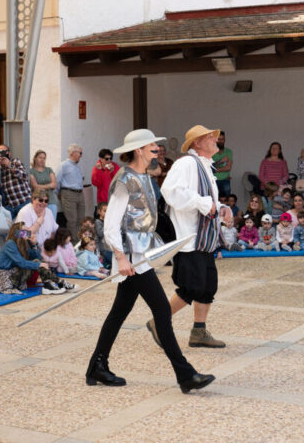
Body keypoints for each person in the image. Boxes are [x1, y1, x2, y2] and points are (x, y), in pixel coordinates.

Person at [88, 128, 215, 393]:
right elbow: (110, 224)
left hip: (141, 257)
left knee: (118, 313)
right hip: (132, 261)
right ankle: (185, 375)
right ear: (139, 150)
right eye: (152, 147)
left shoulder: (145, 177)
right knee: (160, 313)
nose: (157, 150)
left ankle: (97, 366)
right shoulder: (125, 180)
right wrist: (121, 258)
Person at [158, 124, 233, 350]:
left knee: (208, 286)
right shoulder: (186, 163)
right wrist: (205, 204)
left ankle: (199, 332)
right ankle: (158, 322)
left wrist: (220, 208)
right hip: (189, 239)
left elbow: (206, 199)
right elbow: (170, 191)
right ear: (197, 143)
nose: (215, 140)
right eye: (209, 137)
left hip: (204, 239)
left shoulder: (206, 167)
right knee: (190, 287)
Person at [0, 222, 76, 295]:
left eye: (28, 230)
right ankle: (58, 282)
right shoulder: (10, 244)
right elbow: (22, 263)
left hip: (15, 275)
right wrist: (39, 264)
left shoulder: (23, 244)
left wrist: (34, 244)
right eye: (25, 230)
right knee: (37, 263)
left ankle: (50, 284)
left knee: (38, 262)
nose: (28, 232)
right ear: (17, 232)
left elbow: (38, 257)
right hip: (7, 278)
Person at [0, 144, 31, 219]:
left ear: (9, 153)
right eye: (0, 152)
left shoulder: (15, 161)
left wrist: (9, 165)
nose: (2, 154)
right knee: (7, 228)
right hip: (10, 205)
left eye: (4, 151)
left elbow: (24, 176)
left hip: (23, 201)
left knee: (24, 227)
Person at [57, 144, 86, 240]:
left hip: (80, 193)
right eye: (80, 153)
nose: (81, 155)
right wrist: (58, 193)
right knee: (72, 220)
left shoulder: (78, 166)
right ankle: (73, 242)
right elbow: (57, 180)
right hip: (68, 193)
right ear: (73, 153)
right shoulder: (63, 165)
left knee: (81, 219)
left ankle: (80, 240)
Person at [29, 150, 59, 219]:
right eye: (40, 157)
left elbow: (54, 184)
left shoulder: (49, 170)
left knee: (52, 224)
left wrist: (41, 186)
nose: (42, 160)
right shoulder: (31, 171)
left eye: (44, 158)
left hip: (51, 201)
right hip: (38, 202)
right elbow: (35, 187)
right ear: (35, 158)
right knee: (39, 223)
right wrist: (49, 185)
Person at [212, 131, 233, 198]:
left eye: (222, 139)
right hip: (214, 181)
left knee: (227, 201)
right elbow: (209, 167)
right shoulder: (210, 151)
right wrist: (221, 161)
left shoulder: (229, 152)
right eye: (219, 139)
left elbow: (228, 167)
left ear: (225, 140)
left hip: (225, 180)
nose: (221, 141)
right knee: (214, 201)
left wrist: (215, 169)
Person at [93, 204, 112, 268]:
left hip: (110, 247)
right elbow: (100, 234)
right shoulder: (98, 222)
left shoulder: (109, 222)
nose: (107, 213)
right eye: (105, 211)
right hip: (103, 248)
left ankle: (107, 265)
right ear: (99, 212)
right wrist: (107, 224)